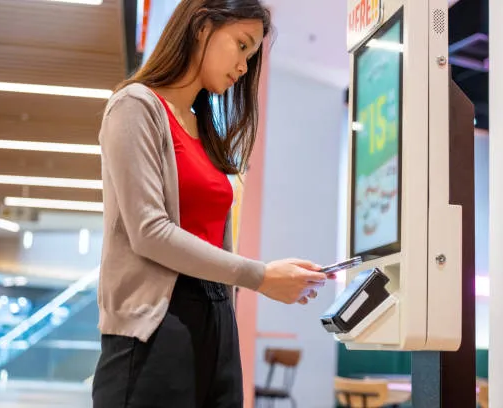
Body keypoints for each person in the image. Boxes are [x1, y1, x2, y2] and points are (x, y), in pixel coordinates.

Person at [91, 1, 330, 407]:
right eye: (241, 45)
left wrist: (257, 283)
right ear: (202, 27)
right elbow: (149, 231)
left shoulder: (205, 130)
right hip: (155, 327)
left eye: (251, 57)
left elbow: (214, 241)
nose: (243, 67)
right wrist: (260, 276)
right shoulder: (136, 106)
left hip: (216, 321)